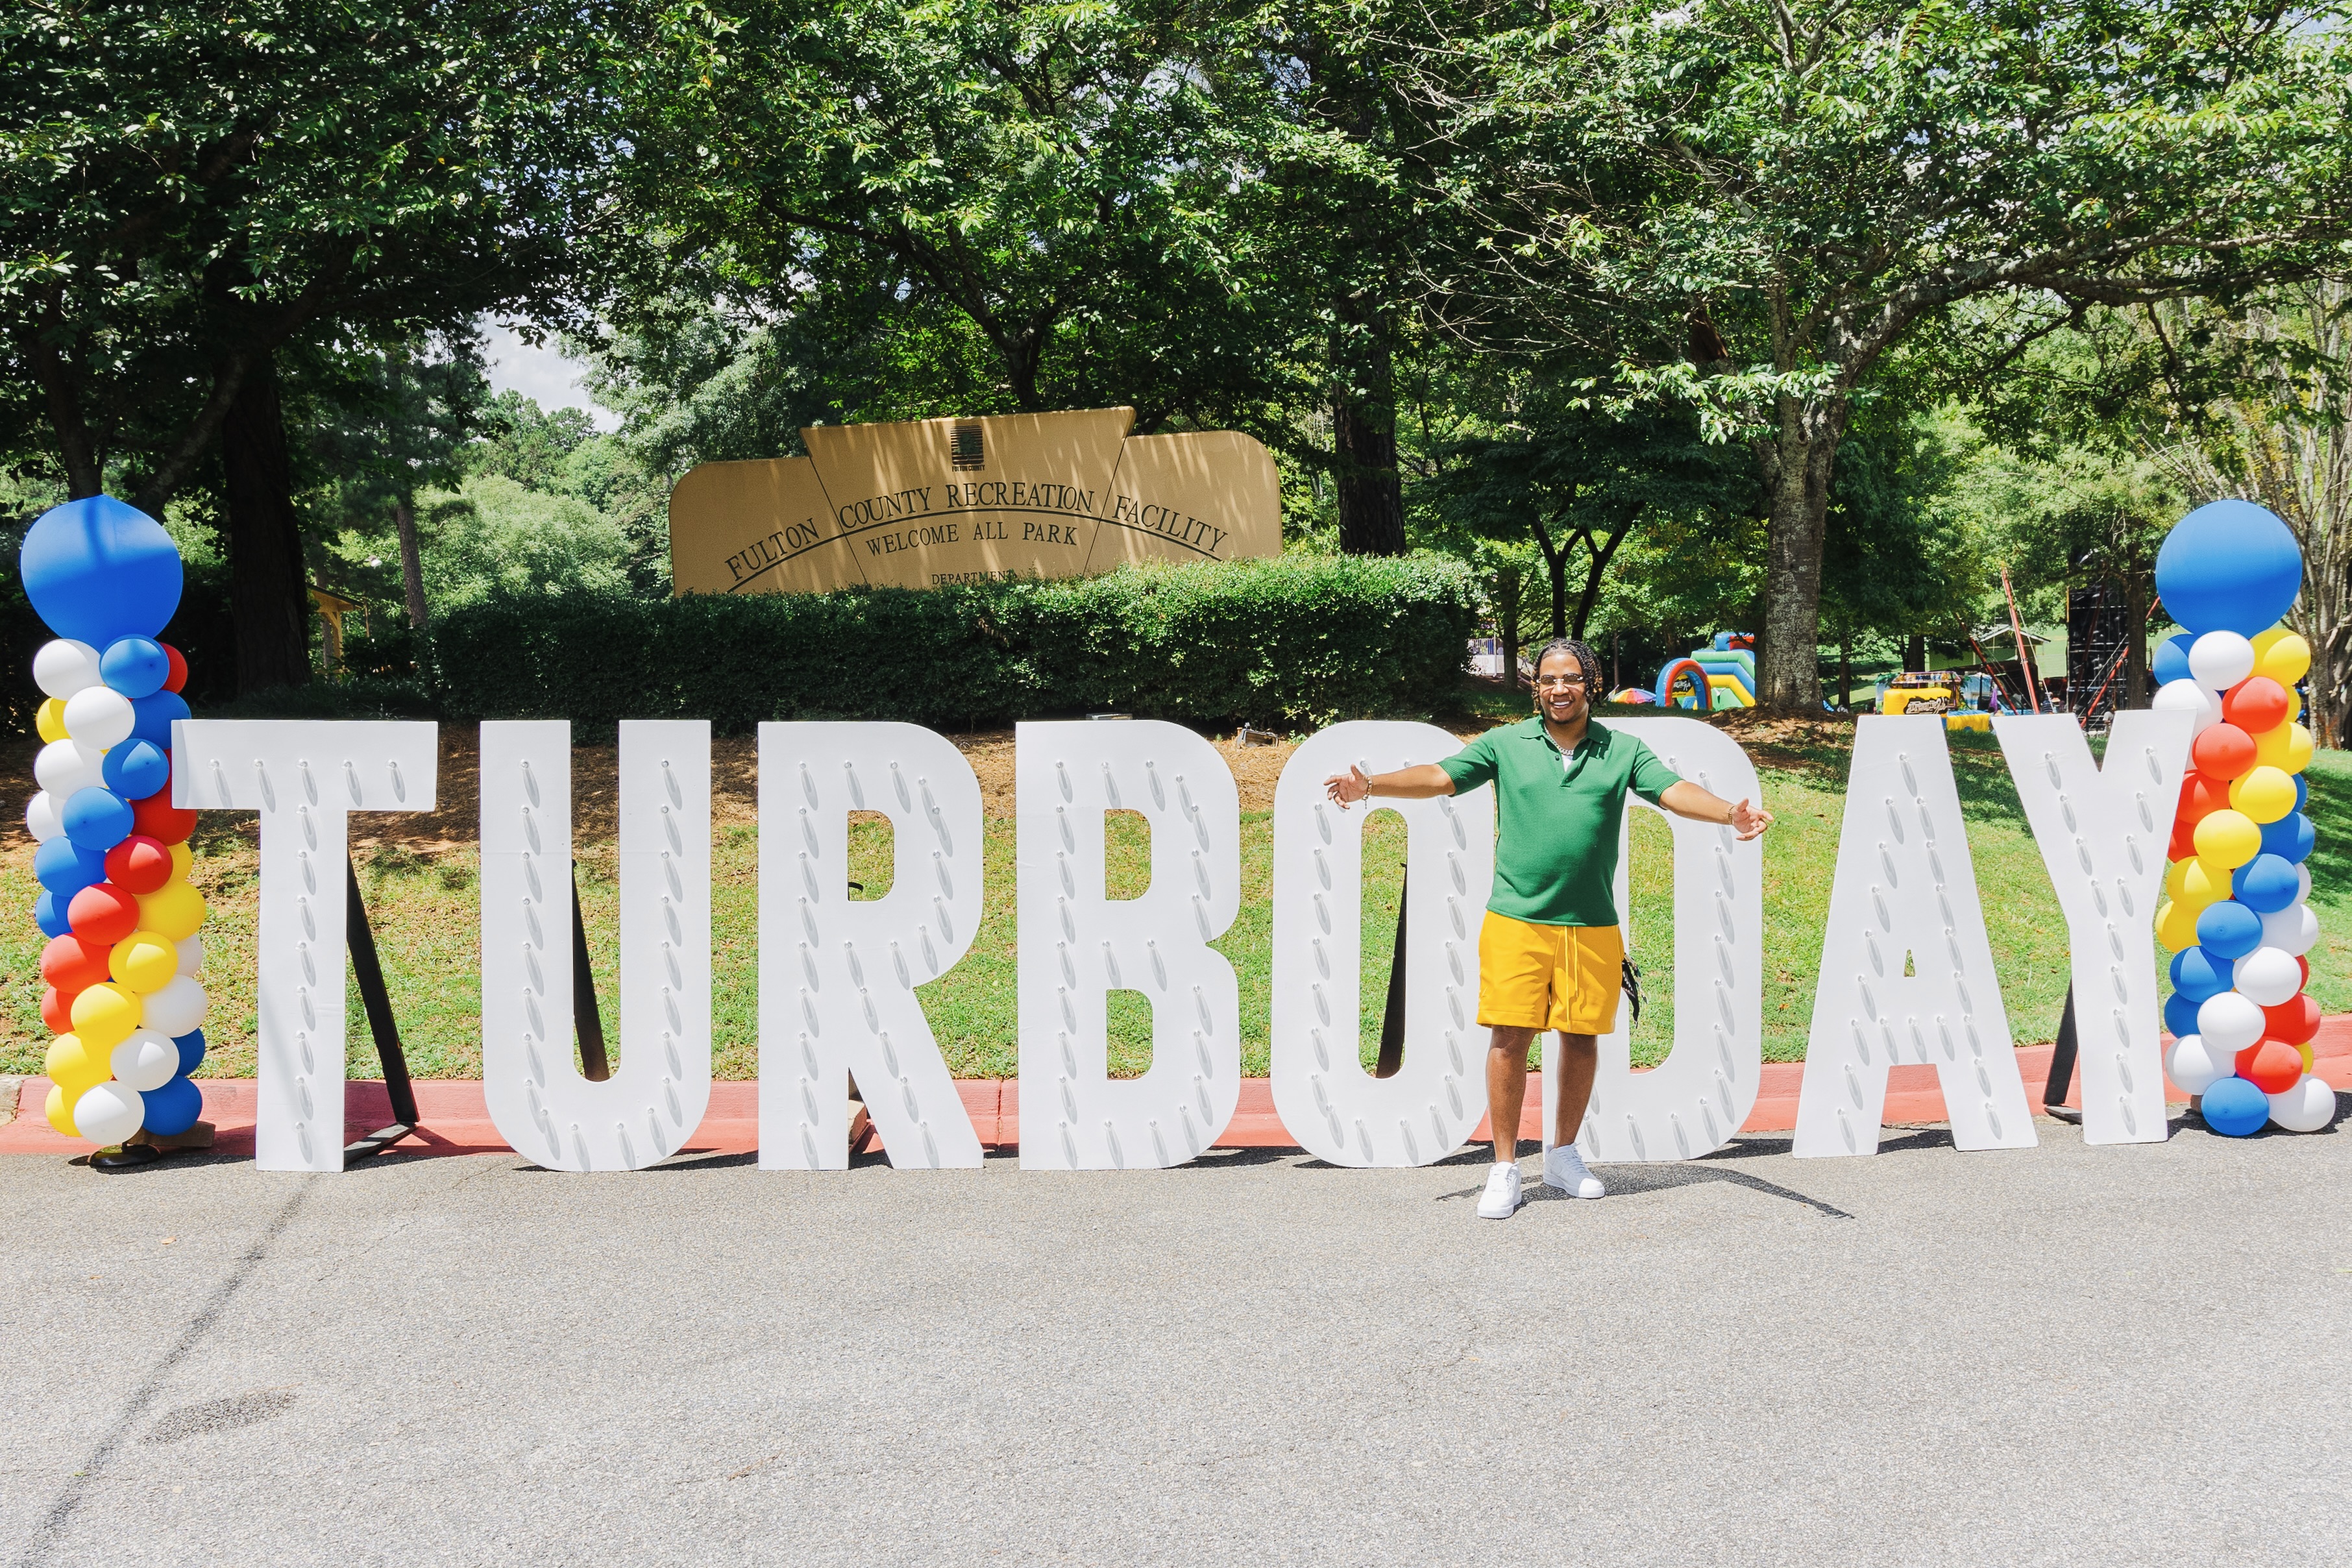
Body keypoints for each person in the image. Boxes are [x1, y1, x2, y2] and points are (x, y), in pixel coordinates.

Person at [1325, 637, 1774, 1218]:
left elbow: (1671, 790)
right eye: (1547, 680)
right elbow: (1440, 776)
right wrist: (1373, 785)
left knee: (1581, 1038)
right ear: (1535, 687)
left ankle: (1562, 1155)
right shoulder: (1507, 744)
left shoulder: (1622, 749)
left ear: (1590, 683)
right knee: (1510, 1039)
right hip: (1518, 918)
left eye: (1571, 678)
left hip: (1591, 923)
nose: (1558, 688)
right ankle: (1505, 1168)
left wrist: (1727, 813)